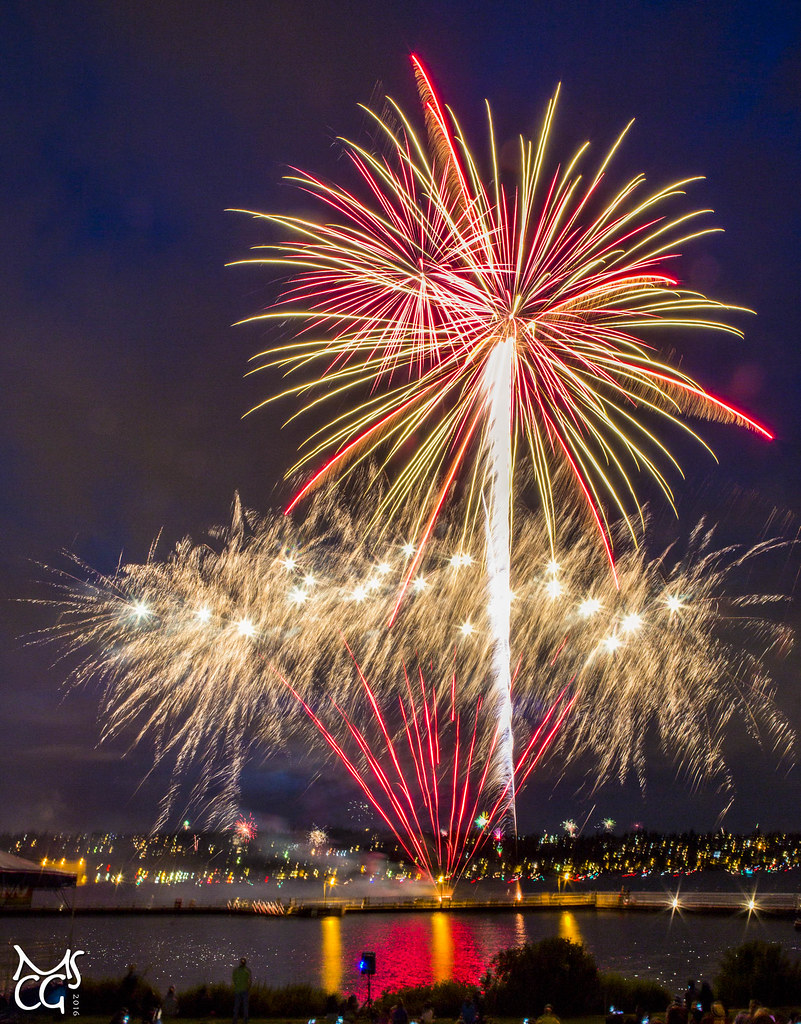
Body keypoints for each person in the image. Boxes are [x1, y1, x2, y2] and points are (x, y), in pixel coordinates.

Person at [232, 958, 251, 1024]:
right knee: (245, 1006)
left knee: (236, 1006)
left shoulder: (236, 970)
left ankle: (235, 1020)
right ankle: (245, 1021)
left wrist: (237, 985)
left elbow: (234, 979)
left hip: (237, 990)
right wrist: (247, 987)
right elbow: (249, 981)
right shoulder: (247, 971)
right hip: (244, 990)